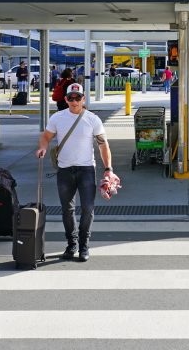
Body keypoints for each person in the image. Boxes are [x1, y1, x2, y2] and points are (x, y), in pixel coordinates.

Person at [35, 83, 118, 262]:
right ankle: (72, 244)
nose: (74, 101)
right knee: (67, 210)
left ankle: (84, 245)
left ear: (83, 99)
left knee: (88, 209)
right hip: (65, 170)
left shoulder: (92, 119)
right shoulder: (57, 117)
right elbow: (46, 137)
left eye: (77, 97)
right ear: (65, 99)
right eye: (70, 98)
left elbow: (103, 145)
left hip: (86, 169)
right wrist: (42, 148)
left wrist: (108, 169)